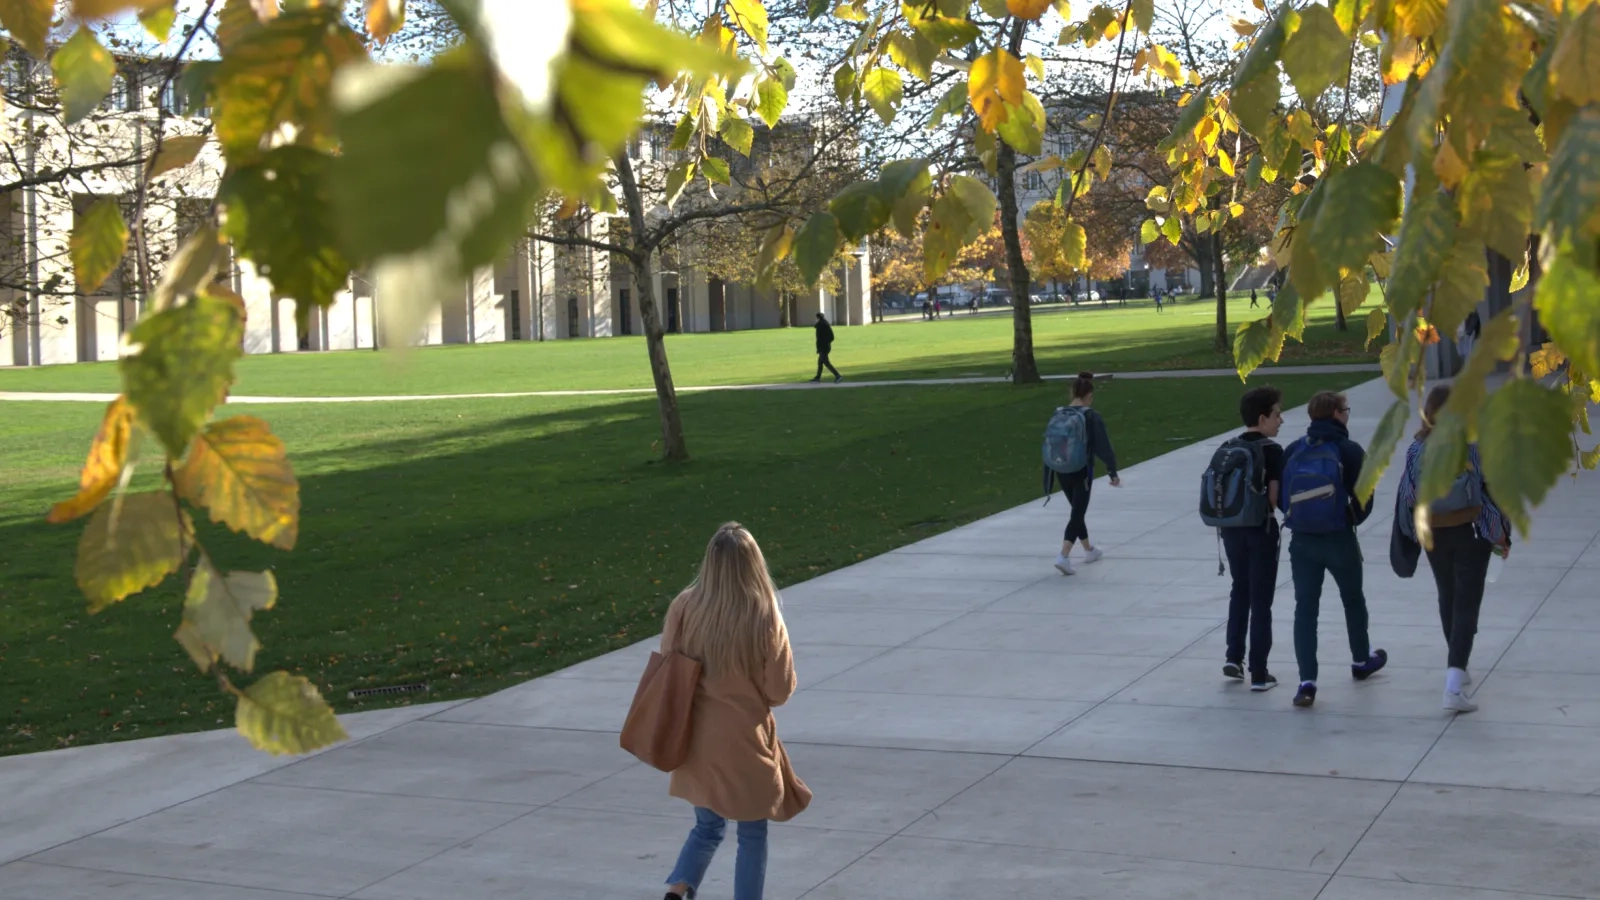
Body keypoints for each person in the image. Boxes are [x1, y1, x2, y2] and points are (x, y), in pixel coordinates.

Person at [661, 523, 811, 900]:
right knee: (752, 832)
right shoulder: (764, 614)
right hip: (745, 740)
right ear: (753, 564)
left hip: (694, 738)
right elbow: (779, 690)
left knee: (707, 826)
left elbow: (668, 664)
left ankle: (677, 891)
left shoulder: (684, 605)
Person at [1398, 385, 1511, 713]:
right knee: (1467, 605)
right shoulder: (1472, 447)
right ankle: (1453, 684)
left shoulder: (1417, 448)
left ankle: (1456, 666)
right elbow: (1492, 492)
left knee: (1447, 596)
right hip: (1471, 531)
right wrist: (1502, 534)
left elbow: (1408, 495)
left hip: (1433, 531)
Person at [1280, 391, 1388, 708]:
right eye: (1346, 410)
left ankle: (1307, 683)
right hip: (1339, 537)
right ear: (1338, 415)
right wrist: (1349, 517)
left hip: (1302, 542)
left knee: (1305, 609)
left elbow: (1282, 497)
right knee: (1353, 599)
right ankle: (1360, 660)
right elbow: (1366, 496)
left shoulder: (1293, 450)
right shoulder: (1349, 450)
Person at [1220, 386, 1286, 692]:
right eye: (1277, 413)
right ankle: (1259, 672)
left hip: (1231, 529)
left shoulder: (1228, 446)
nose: (1281, 420)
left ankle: (1234, 657)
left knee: (1240, 590)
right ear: (1262, 417)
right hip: (1261, 529)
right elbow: (1273, 498)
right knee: (1262, 601)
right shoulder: (1271, 451)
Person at [1050, 372, 1121, 576]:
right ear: (1089, 395)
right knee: (1078, 512)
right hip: (1082, 469)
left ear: (1072, 392)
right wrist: (1112, 471)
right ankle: (1063, 556)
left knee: (1076, 510)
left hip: (1061, 468)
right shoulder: (1091, 416)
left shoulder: (1059, 413)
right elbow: (1103, 446)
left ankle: (1089, 550)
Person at [810, 312, 840, 383]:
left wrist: (824, 343)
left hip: (823, 347)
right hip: (825, 346)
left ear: (817, 318)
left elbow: (816, 327)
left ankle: (838, 375)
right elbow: (831, 337)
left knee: (826, 362)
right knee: (820, 362)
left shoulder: (821, 325)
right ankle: (818, 377)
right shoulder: (825, 324)